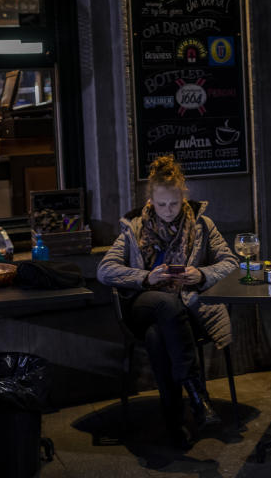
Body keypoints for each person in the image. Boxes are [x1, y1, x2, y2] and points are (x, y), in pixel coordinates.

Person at [97, 155, 238, 447]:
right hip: (144, 305)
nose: (168, 211)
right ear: (151, 201)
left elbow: (231, 263)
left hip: (185, 311)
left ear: (182, 197)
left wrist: (200, 274)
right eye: (161, 205)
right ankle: (197, 394)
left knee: (158, 335)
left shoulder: (202, 224)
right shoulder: (134, 228)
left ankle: (175, 422)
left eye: (173, 204)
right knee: (164, 305)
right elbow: (104, 270)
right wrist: (147, 277)